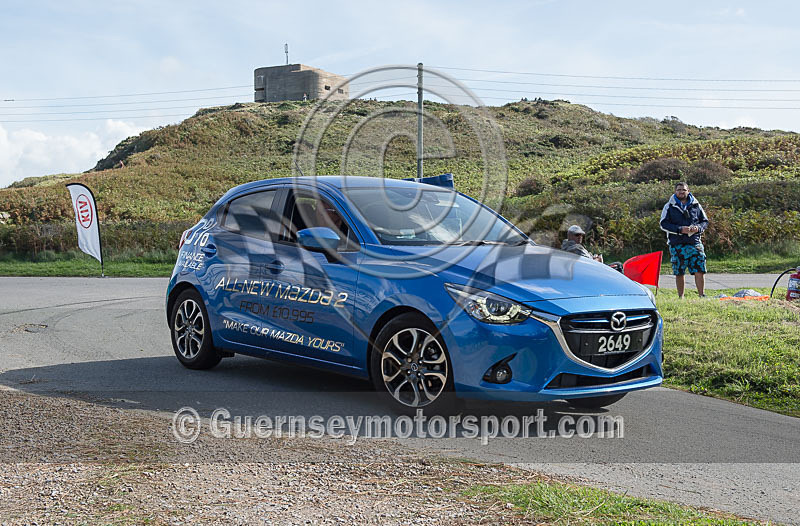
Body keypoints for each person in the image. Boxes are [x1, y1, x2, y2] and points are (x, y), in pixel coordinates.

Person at [659, 182, 710, 298]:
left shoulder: (696, 205)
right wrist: (680, 229)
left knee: (700, 269)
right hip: (676, 243)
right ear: (675, 191)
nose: (681, 192)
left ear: (688, 191)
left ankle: (701, 295)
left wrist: (698, 228)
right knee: (679, 271)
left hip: (695, 242)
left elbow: (705, 221)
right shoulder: (669, 206)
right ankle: (681, 297)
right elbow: (663, 224)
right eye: (679, 190)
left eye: (684, 190)